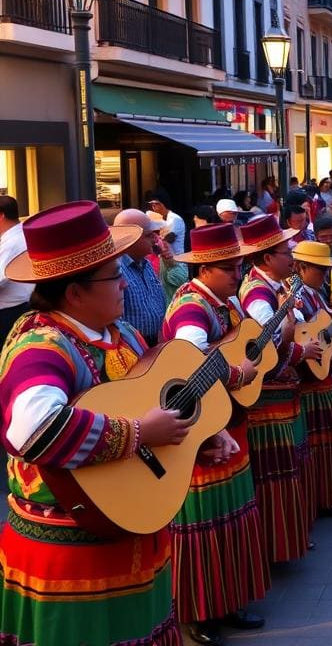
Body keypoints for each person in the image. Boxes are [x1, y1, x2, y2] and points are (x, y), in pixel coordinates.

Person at [0, 200, 188, 645]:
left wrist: (195, 436)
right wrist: (140, 434)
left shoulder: (125, 336)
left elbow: (145, 403)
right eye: (112, 274)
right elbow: (35, 429)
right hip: (71, 553)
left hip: (129, 527)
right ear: (75, 293)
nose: (124, 282)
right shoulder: (40, 346)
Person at [162, 223, 268, 646]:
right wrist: (233, 371)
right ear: (205, 269)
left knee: (230, 517)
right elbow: (190, 356)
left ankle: (226, 600)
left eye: (239, 266)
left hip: (228, 423)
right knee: (202, 525)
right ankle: (196, 613)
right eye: (229, 268)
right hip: (202, 432)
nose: (238, 275)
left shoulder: (224, 302)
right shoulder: (192, 306)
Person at [238, 215, 316, 564]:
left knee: (289, 466)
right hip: (267, 400)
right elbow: (266, 341)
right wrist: (299, 347)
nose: (292, 257)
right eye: (286, 251)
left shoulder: (276, 287)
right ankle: (276, 545)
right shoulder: (256, 293)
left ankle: (290, 538)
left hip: (284, 394)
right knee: (275, 472)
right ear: (268, 257)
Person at [292, 240, 332, 519]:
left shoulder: (314, 294)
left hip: (323, 377)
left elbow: (327, 325)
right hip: (310, 381)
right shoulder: (296, 297)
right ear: (301, 267)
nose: (324, 275)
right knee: (317, 444)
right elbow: (303, 334)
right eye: (319, 269)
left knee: (328, 442)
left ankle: (327, 498)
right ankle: (319, 500)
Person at [113, 208, 172, 346]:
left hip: (154, 343)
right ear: (129, 238)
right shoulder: (116, 271)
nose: (155, 239)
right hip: (131, 348)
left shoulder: (146, 264)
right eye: (149, 235)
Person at [0, 196, 33, 344]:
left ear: (1, 216)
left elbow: (1, 278)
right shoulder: (21, 234)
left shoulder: (12, 242)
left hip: (11, 311)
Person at [147, 188, 186, 256]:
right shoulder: (159, 219)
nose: (153, 207)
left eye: (155, 204)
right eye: (152, 204)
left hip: (176, 261)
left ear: (163, 204)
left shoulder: (175, 219)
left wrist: (154, 236)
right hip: (164, 261)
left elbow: (170, 238)